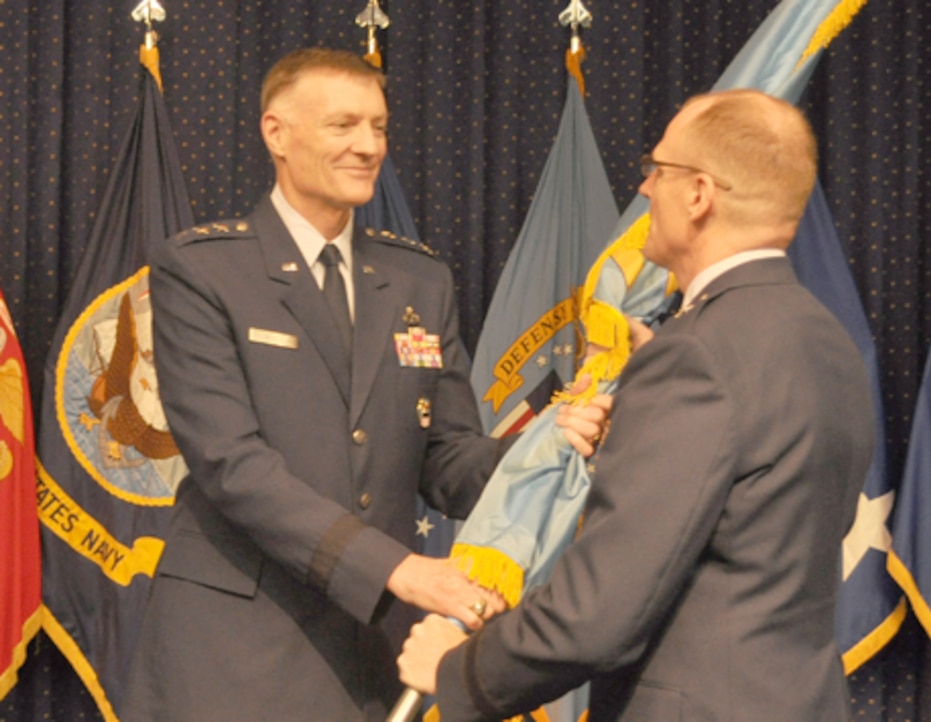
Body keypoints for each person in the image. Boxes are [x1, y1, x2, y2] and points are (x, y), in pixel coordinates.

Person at [121, 48, 604, 721]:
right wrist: (399, 571)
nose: (368, 146)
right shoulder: (204, 269)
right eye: (343, 126)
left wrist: (546, 446)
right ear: (276, 132)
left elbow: (448, 458)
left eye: (378, 127)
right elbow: (233, 466)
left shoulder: (419, 280)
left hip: (366, 653)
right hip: (234, 650)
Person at [397, 88, 876, 721]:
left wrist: (459, 670)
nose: (646, 190)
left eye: (658, 170)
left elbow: (600, 612)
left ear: (700, 193)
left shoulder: (694, 354)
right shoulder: (827, 338)